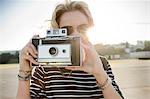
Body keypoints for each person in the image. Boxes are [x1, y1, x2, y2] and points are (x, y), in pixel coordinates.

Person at [16, 1, 124, 99]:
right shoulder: (45, 68)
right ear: (57, 32)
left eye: (83, 28)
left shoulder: (102, 63)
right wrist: (24, 72)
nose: (76, 34)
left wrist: (100, 73)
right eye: (67, 30)